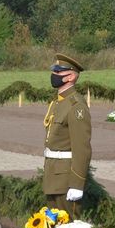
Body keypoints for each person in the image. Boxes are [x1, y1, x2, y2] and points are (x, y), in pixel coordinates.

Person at [43, 53, 92, 218]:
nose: (54, 75)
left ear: (70, 76)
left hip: (66, 179)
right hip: (53, 174)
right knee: (53, 227)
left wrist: (77, 184)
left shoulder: (76, 106)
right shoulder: (59, 102)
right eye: (54, 71)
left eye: (58, 72)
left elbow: (82, 148)